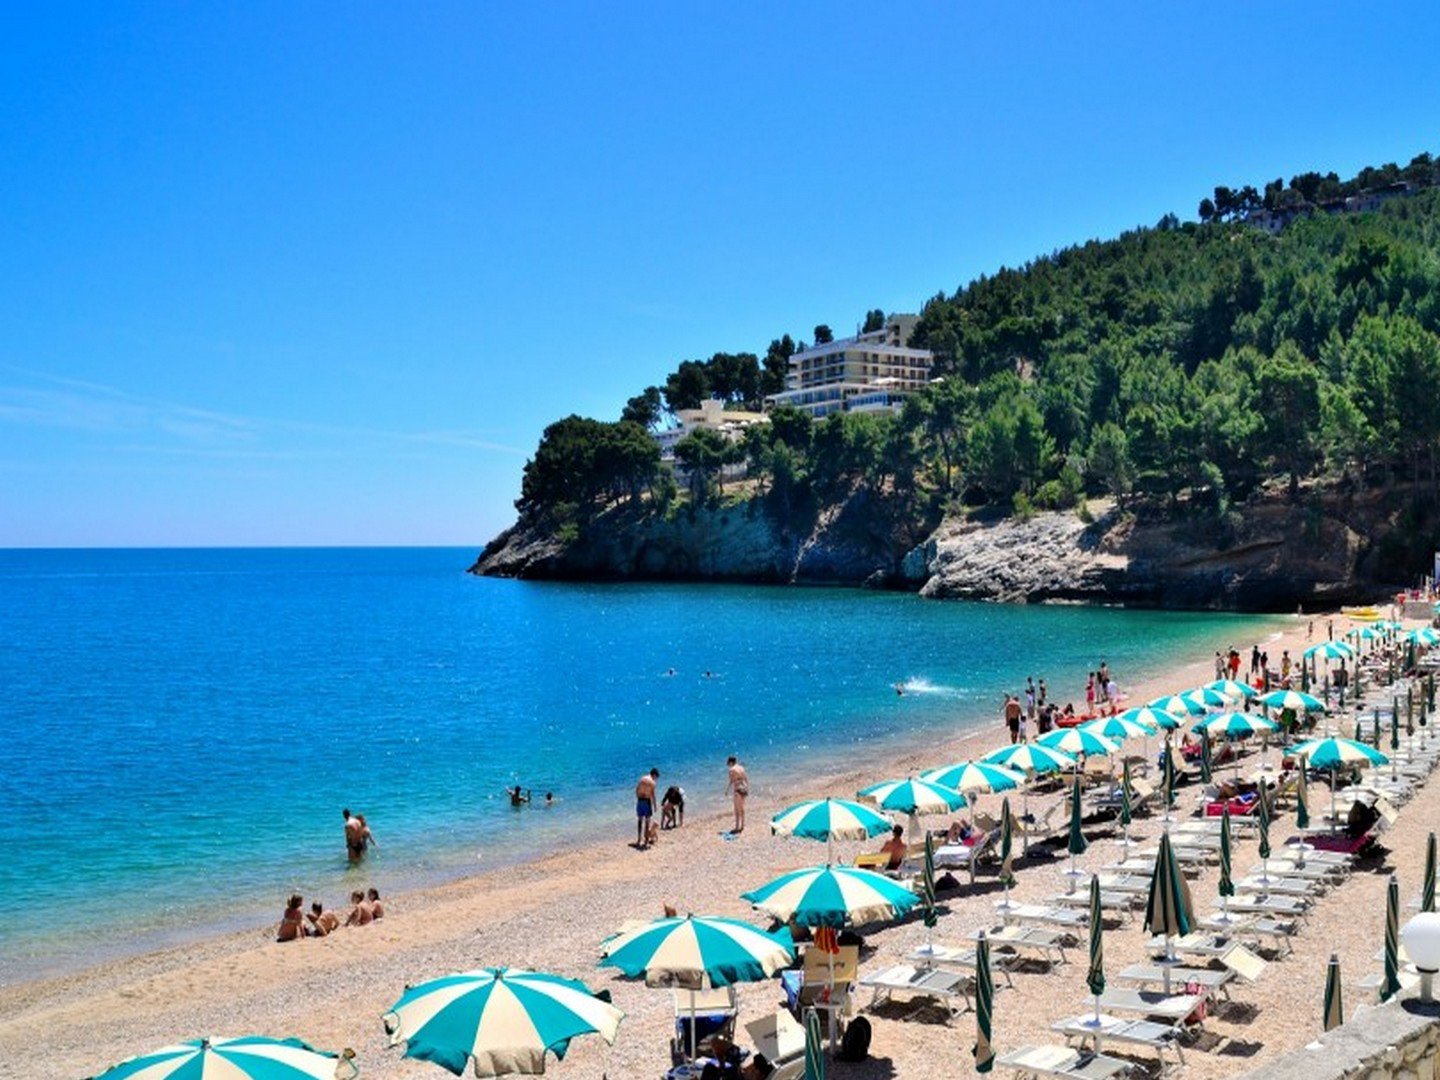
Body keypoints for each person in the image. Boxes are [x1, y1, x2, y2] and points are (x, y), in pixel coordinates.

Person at [635, 768, 659, 849]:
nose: (655, 779)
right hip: (647, 801)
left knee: (640, 821)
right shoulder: (652, 782)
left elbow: (637, 790)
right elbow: (653, 795)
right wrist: (655, 806)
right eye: (656, 777)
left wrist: (638, 798)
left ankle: (639, 839)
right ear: (654, 775)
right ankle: (646, 841)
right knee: (647, 821)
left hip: (640, 801)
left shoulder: (642, 779)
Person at [725, 756, 749, 834]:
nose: (728, 765)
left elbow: (731, 781)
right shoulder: (741, 768)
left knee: (736, 809)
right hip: (744, 788)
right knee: (742, 808)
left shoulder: (732, 770)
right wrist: (747, 787)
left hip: (737, 789)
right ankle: (742, 826)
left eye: (728, 763)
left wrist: (727, 790)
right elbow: (746, 778)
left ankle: (737, 827)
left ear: (731, 762)